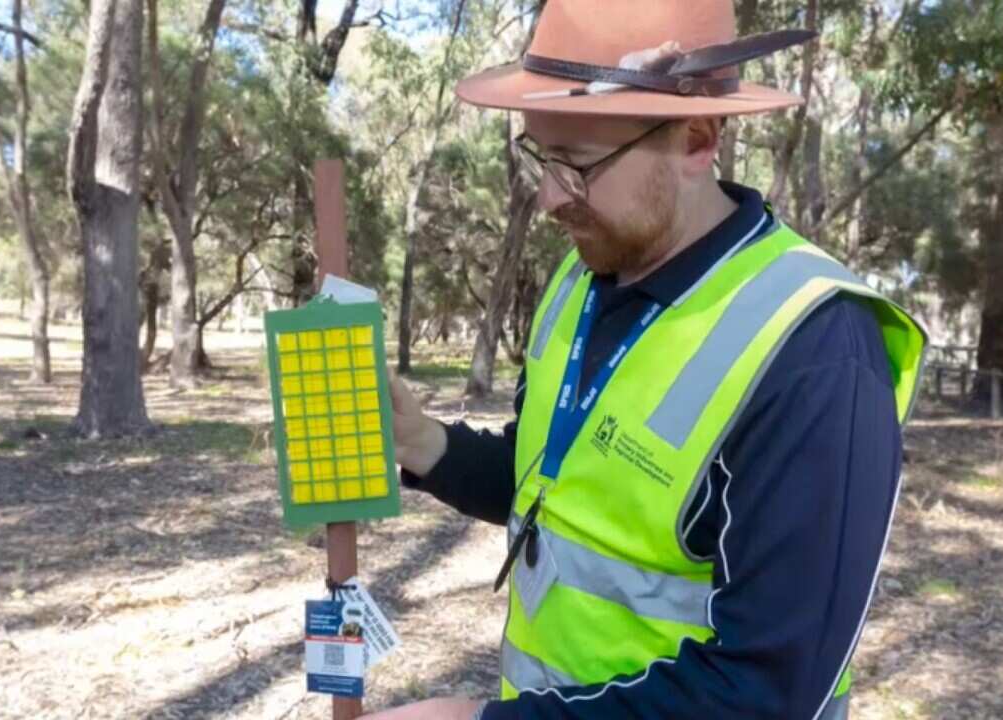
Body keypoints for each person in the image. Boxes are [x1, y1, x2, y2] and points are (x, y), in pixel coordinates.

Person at [365, 1, 926, 718]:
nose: (547, 198)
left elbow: (767, 695)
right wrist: (427, 446)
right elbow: (557, 484)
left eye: (576, 163)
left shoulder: (816, 352)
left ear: (696, 140)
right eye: (540, 155)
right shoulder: (578, 283)